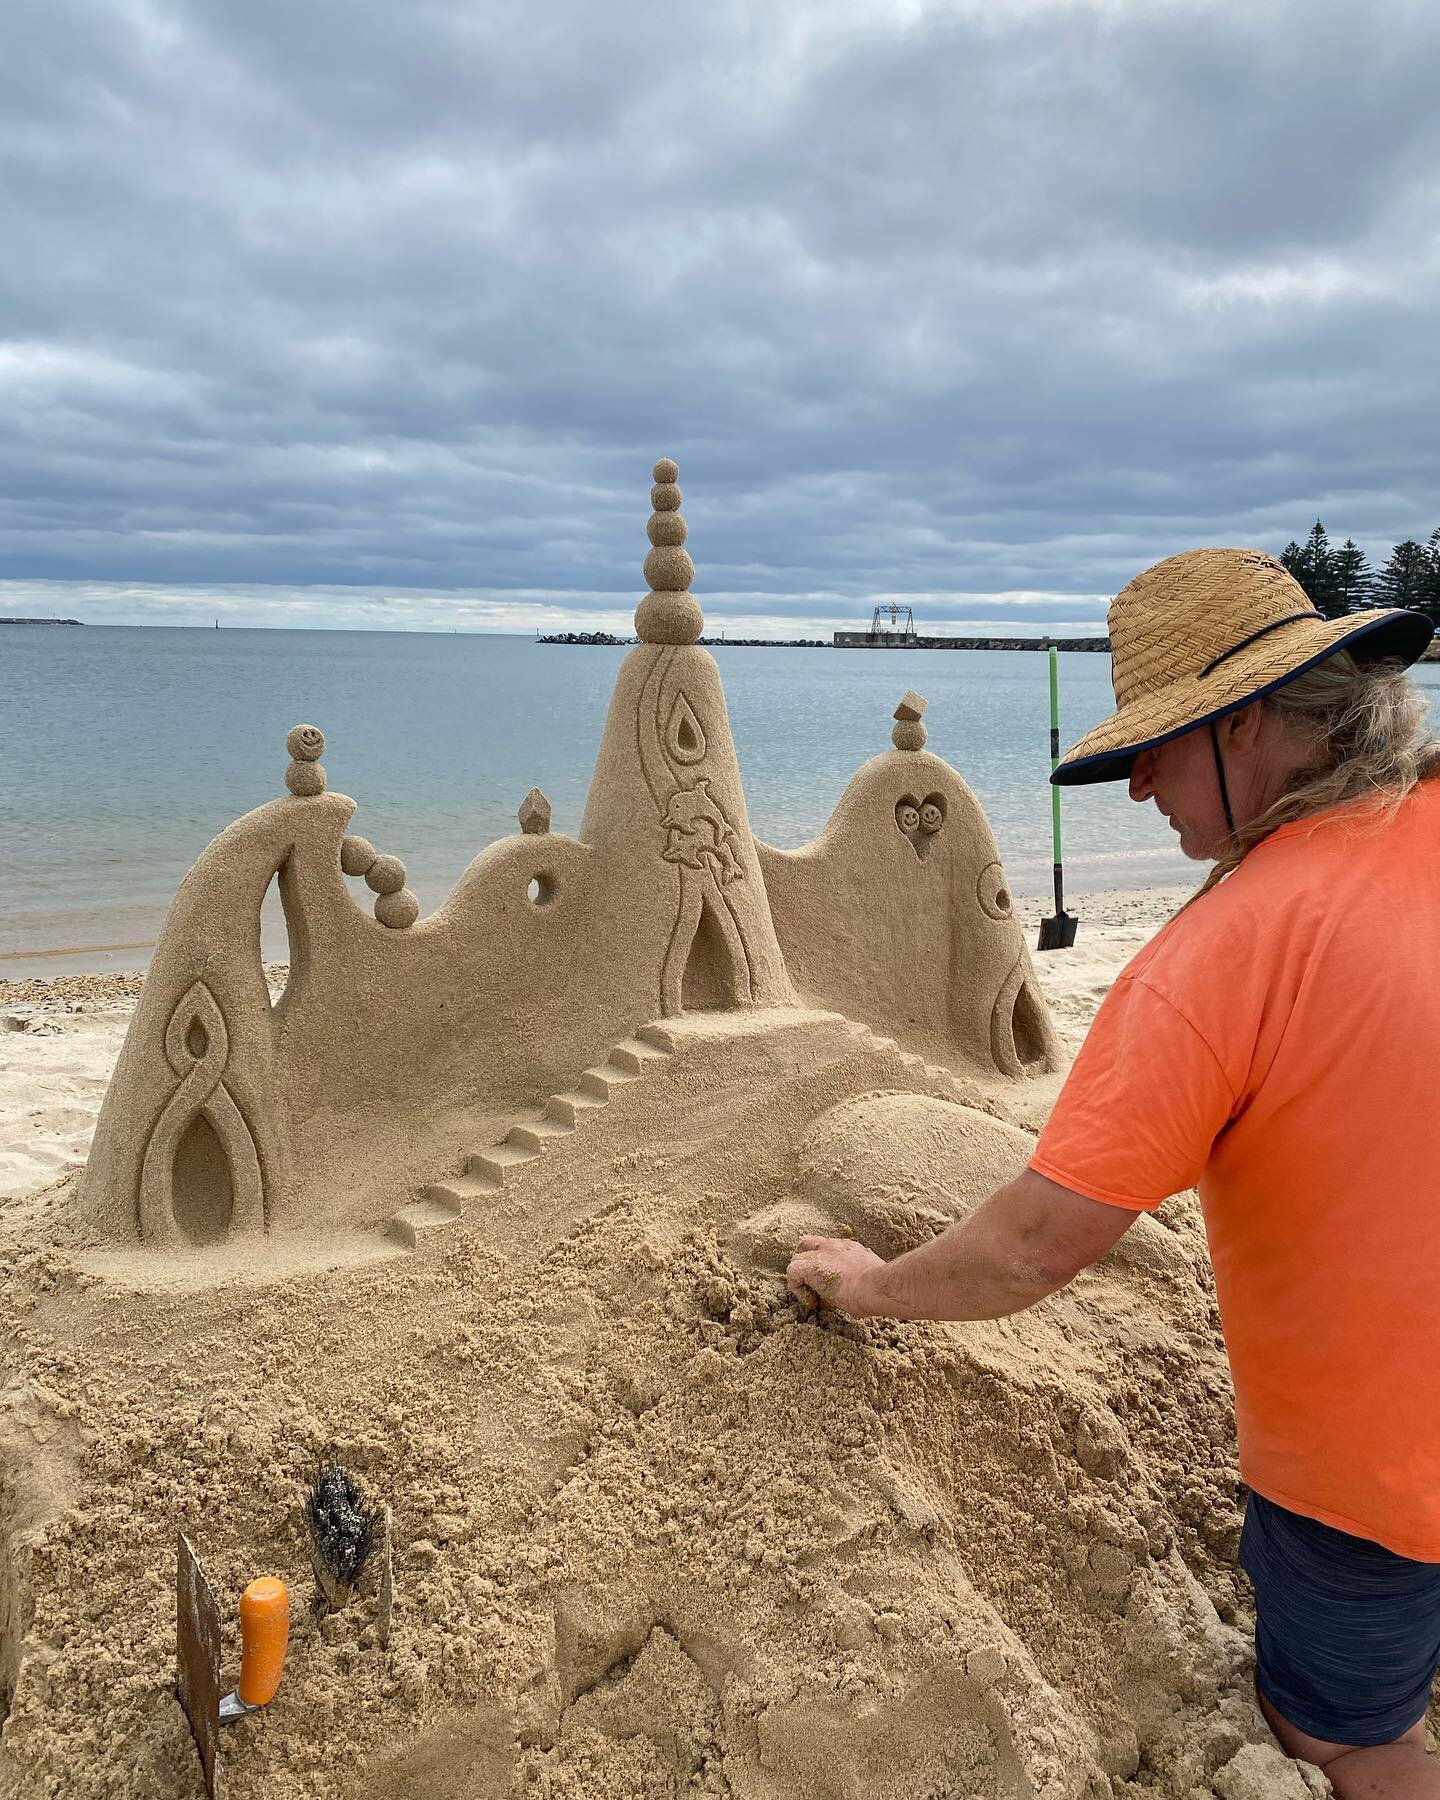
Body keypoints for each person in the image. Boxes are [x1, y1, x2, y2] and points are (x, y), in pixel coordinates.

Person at [786, 548, 1440, 1798]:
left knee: (1349, 1734)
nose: (1138, 787)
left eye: (1161, 745)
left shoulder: (1224, 951)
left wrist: (866, 1287)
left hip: (1376, 1474)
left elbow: (1039, 1241)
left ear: (1249, 722)